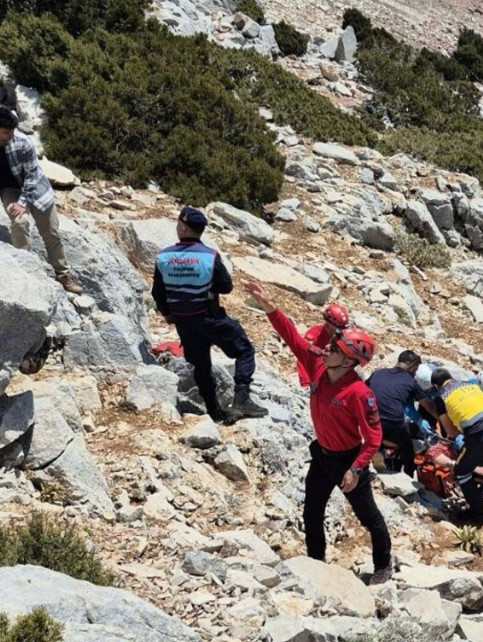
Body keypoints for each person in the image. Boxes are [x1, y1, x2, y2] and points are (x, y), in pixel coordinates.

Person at [247, 280, 393, 584]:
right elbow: (292, 338)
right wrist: (269, 307)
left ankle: (383, 565)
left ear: (349, 360)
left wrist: (356, 469)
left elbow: (373, 438)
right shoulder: (318, 366)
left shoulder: (359, 393)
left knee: (369, 518)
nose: (327, 348)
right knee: (312, 511)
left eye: (334, 348)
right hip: (323, 457)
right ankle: (316, 562)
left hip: (348, 461)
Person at [0, 106, 84, 294]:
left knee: (51, 232)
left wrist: (23, 202)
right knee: (20, 222)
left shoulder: (23, 142)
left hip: (38, 190)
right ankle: (26, 270)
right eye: (6, 131)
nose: (11, 134)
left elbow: (32, 176)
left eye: (12, 130)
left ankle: (64, 275)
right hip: (8, 190)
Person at [151, 206, 268, 423]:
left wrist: (167, 313)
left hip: (183, 321)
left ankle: (214, 411)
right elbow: (226, 286)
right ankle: (241, 398)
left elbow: (158, 292)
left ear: (183, 228)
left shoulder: (164, 257)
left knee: (201, 365)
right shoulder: (209, 256)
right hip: (210, 317)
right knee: (244, 350)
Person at [432, 368, 483, 520]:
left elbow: (451, 432)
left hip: (479, 434)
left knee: (461, 471)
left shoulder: (440, 397)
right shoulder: (470, 384)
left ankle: (477, 511)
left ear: (435, 386)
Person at [366, 350, 433, 477]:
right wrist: (440, 418)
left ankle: (378, 450)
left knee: (379, 429)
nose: (415, 372)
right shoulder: (411, 381)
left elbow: (364, 389)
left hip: (369, 420)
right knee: (407, 445)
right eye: (416, 369)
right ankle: (408, 475)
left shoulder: (378, 373)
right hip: (393, 425)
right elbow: (427, 406)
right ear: (411, 365)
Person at [294, 303, 350, 388]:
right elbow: (303, 359)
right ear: (328, 325)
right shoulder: (314, 335)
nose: (340, 332)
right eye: (337, 328)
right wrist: (306, 383)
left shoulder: (342, 339)